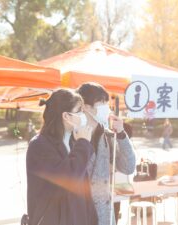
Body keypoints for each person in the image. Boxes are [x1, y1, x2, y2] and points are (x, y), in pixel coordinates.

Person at [26, 89, 97, 225]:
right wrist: (83, 144)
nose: (83, 115)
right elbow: (67, 179)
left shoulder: (73, 141)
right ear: (66, 116)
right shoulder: (39, 145)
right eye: (79, 110)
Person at [77, 82, 136, 225]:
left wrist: (121, 134)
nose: (106, 108)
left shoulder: (108, 136)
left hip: (105, 215)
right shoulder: (73, 136)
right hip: (80, 213)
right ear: (85, 106)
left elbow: (128, 167)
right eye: (101, 102)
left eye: (106, 102)